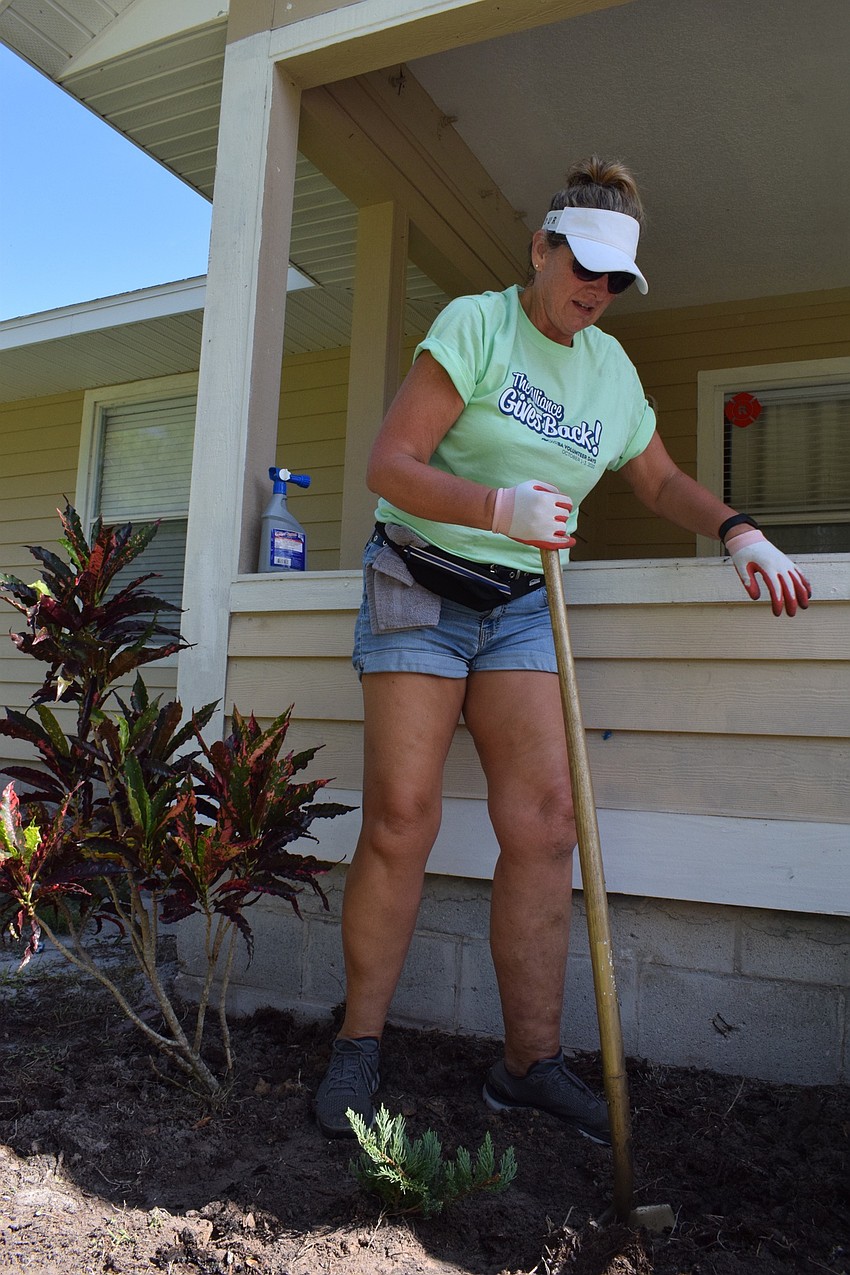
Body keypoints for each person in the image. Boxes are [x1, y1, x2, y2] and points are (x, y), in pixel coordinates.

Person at [313, 156, 812, 1143]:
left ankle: (528, 1065)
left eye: (615, 280)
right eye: (581, 266)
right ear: (540, 249)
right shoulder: (477, 325)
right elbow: (390, 465)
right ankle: (357, 1047)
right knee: (401, 822)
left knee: (543, 827)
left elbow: (660, 482)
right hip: (418, 580)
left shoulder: (612, 373)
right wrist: (496, 504)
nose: (595, 291)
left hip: (521, 602)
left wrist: (737, 529)